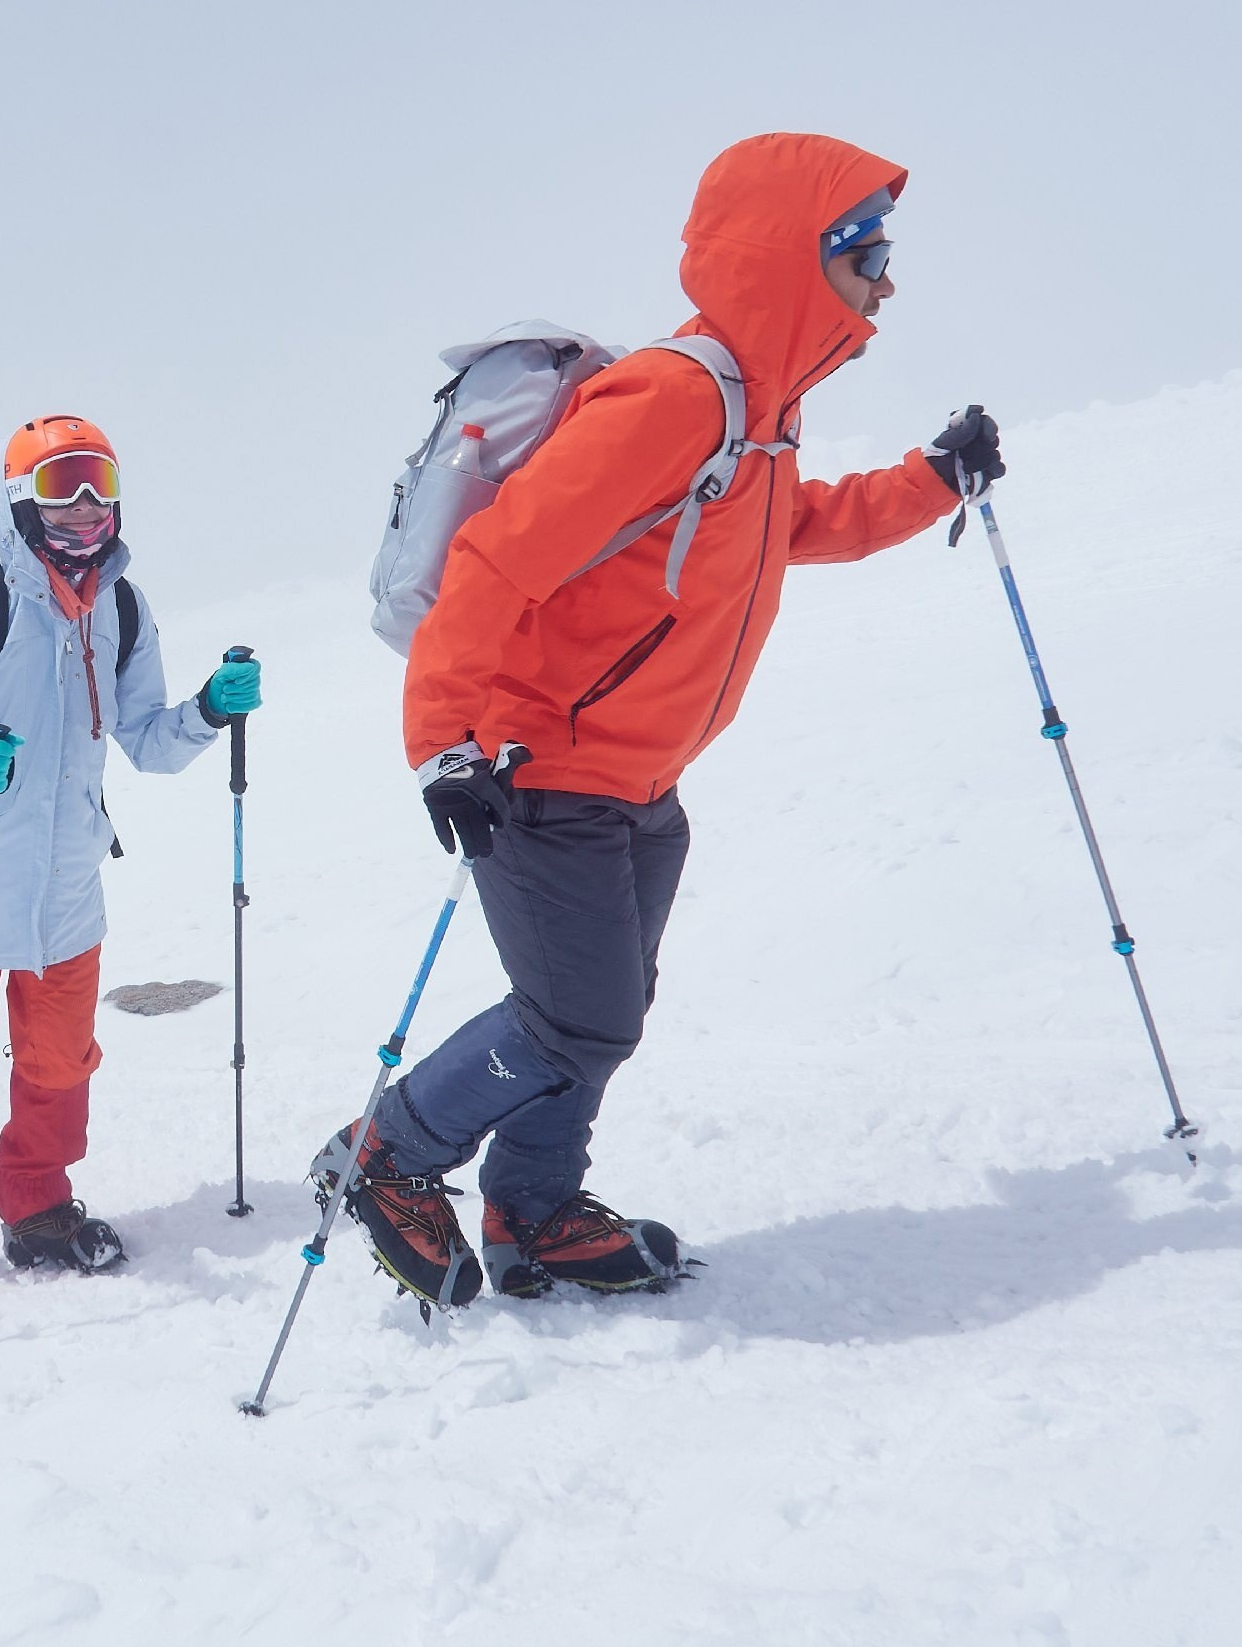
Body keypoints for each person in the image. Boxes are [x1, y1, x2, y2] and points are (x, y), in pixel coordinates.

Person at [322, 131, 1006, 1311]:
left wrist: (930, 481)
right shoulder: (672, 397)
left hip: (642, 779)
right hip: (543, 766)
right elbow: (495, 560)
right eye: (866, 254)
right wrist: (442, 745)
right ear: (795, 257)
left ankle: (534, 1210)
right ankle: (385, 1156)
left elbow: (791, 526)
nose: (885, 282)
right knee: (573, 1019)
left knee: (601, 1019)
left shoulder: (757, 412)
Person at [0, 416, 262, 1296]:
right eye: (62, 486)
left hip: (68, 891)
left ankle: (37, 1205)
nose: (86, 504)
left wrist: (208, 711)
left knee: (61, 1062)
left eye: (100, 481)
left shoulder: (122, 608)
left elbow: (147, 742)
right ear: (17, 503)